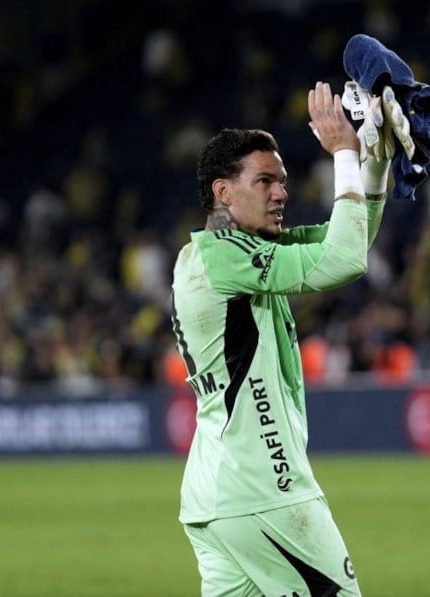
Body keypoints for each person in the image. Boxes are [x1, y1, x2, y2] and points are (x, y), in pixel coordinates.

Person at [170, 81, 391, 596]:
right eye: (265, 180)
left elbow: (349, 238)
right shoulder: (224, 257)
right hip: (263, 490)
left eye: (283, 181)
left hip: (217, 496)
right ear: (223, 192)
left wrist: (375, 160)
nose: (281, 193)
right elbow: (345, 260)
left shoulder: (224, 254)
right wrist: (342, 153)